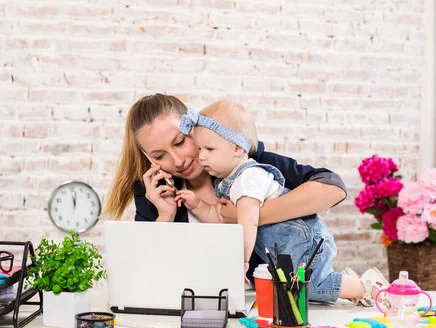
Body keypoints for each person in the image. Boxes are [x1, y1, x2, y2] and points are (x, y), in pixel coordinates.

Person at [103, 93, 387, 306]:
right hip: (197, 307)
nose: (177, 160)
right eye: (159, 155)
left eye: (179, 142)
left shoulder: (246, 164)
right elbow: (142, 279)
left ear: (195, 129)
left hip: (258, 304)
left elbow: (332, 188)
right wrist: (163, 216)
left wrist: (250, 214)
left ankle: (356, 285)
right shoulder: (153, 192)